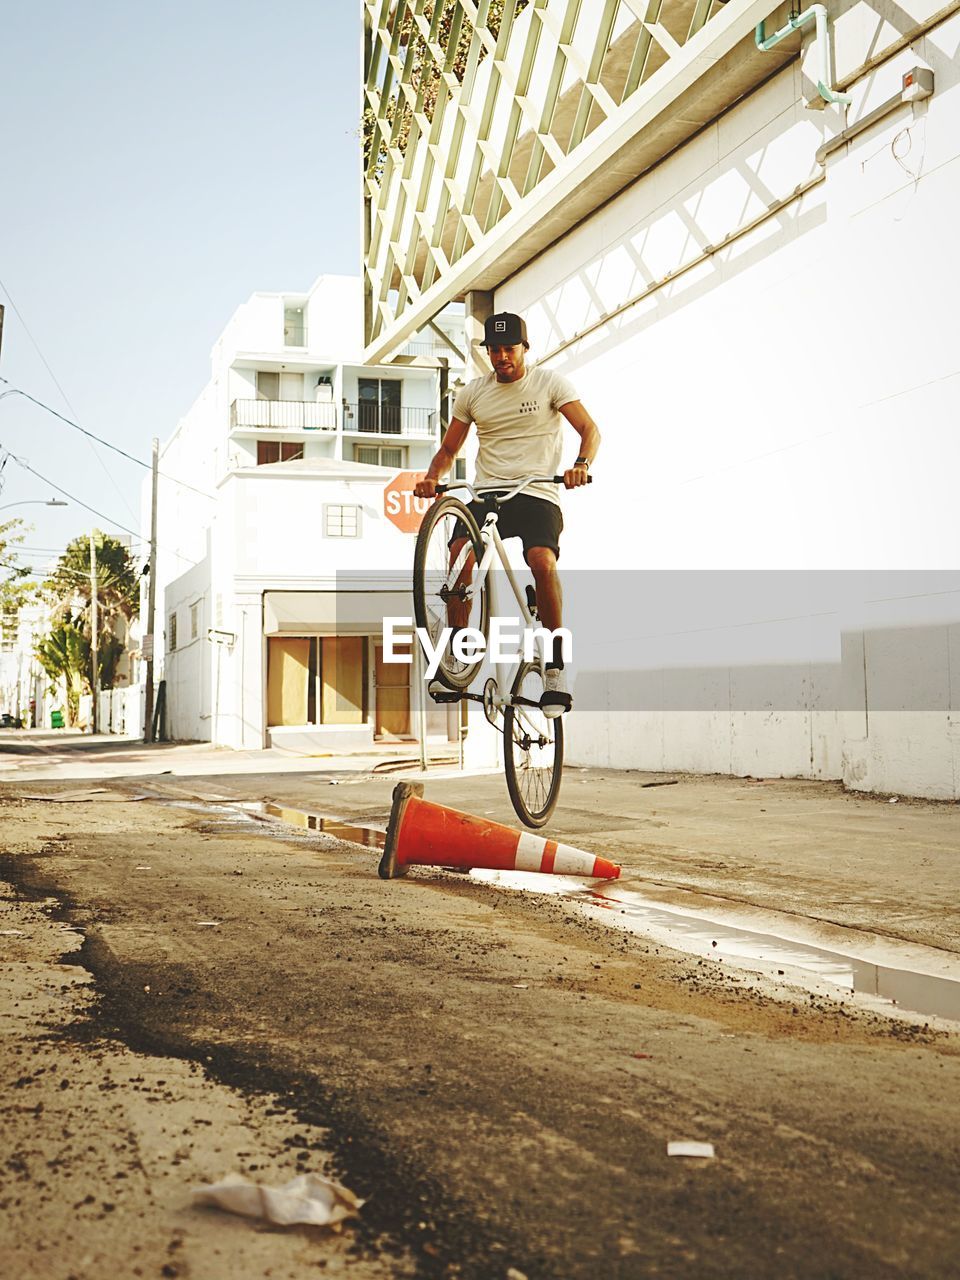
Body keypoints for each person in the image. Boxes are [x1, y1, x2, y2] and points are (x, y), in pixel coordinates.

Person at [414, 311, 600, 715]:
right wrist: (432, 477)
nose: (501, 357)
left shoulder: (550, 383)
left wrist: (581, 464)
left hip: (536, 492)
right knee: (459, 555)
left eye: (508, 349)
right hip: (488, 494)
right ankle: (457, 657)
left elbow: (589, 429)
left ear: (524, 348)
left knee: (541, 561)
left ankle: (555, 667)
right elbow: (448, 451)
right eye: (494, 350)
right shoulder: (473, 394)